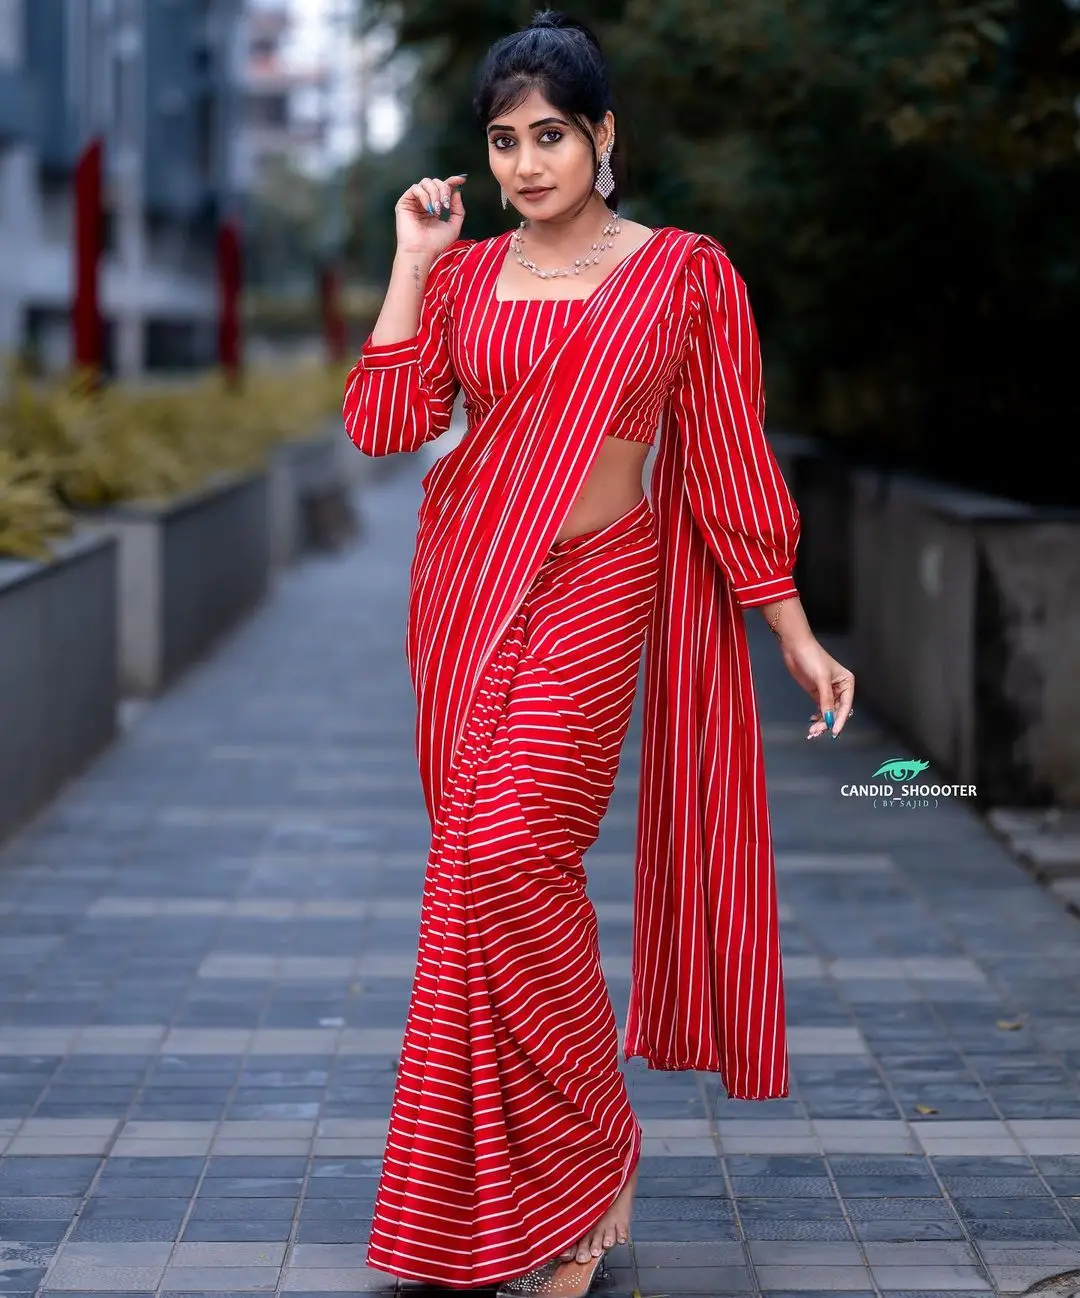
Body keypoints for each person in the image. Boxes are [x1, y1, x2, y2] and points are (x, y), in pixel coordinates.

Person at [343, 10, 855, 1295]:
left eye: (551, 135)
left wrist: (786, 622)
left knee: (517, 847)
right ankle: (551, 1181)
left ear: (604, 135)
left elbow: (731, 452)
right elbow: (385, 421)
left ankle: (583, 1156)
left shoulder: (684, 274)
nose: (526, 164)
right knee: (479, 878)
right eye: (506, 141)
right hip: (466, 592)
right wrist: (411, 262)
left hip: (602, 581)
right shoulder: (464, 279)